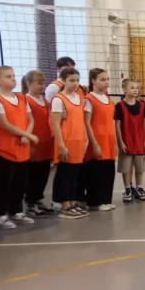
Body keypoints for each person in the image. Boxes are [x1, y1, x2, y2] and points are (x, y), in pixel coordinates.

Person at [0, 66, 37, 230]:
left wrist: (26, 135)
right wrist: (28, 135)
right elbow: (5, 125)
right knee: (3, 184)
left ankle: (16, 211)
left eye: (14, 76)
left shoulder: (22, 98)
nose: (13, 79)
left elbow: (31, 120)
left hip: (22, 149)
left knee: (20, 183)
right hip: (4, 150)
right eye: (8, 76)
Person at [51, 68, 89, 220]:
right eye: (71, 80)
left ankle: (72, 203)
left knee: (75, 174)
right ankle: (64, 206)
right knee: (65, 175)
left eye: (77, 80)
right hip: (66, 141)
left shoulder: (80, 98)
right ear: (64, 81)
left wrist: (86, 139)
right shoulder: (59, 99)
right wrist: (61, 145)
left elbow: (82, 121)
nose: (75, 83)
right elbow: (55, 124)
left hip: (79, 141)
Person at [23, 70, 55, 217]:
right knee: (33, 175)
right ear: (29, 83)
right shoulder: (25, 101)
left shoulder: (45, 101)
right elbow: (25, 123)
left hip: (46, 142)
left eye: (43, 83)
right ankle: (30, 204)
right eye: (38, 83)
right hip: (34, 143)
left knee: (43, 174)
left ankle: (38, 200)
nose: (42, 86)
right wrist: (28, 145)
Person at [84, 69, 117, 211]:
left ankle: (106, 200)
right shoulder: (89, 99)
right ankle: (95, 201)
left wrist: (115, 143)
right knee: (96, 172)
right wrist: (94, 143)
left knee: (108, 171)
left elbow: (111, 122)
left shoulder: (109, 100)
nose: (106, 82)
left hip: (109, 140)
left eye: (107, 79)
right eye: (102, 79)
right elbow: (86, 122)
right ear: (93, 81)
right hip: (97, 140)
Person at [115, 79, 145, 203]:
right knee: (126, 168)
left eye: (137, 88)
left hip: (139, 140)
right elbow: (117, 126)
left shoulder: (142, 106)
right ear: (124, 89)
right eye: (132, 88)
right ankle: (128, 189)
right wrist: (120, 142)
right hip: (126, 140)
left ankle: (139, 188)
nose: (136, 90)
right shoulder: (119, 106)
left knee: (140, 168)